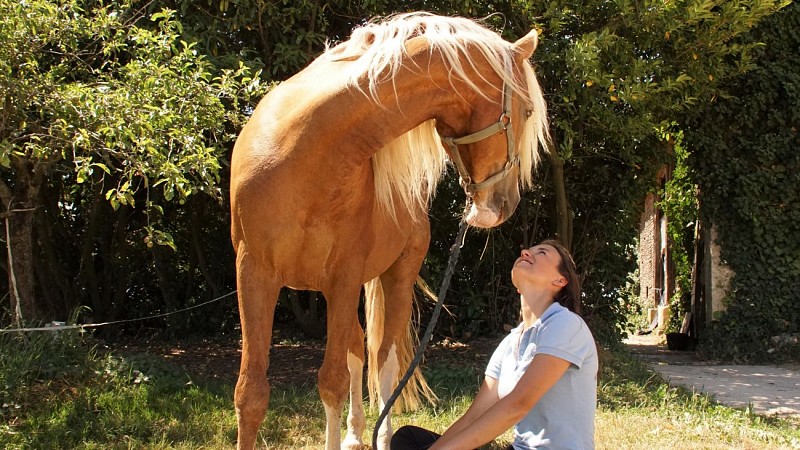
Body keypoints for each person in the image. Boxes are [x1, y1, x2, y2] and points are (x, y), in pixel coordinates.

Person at [391, 239, 598, 450]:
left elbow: (518, 404)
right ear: (518, 288)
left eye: (542, 253)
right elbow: (475, 416)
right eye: (527, 250)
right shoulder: (511, 342)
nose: (525, 252)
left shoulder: (566, 324)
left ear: (560, 280)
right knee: (408, 439)